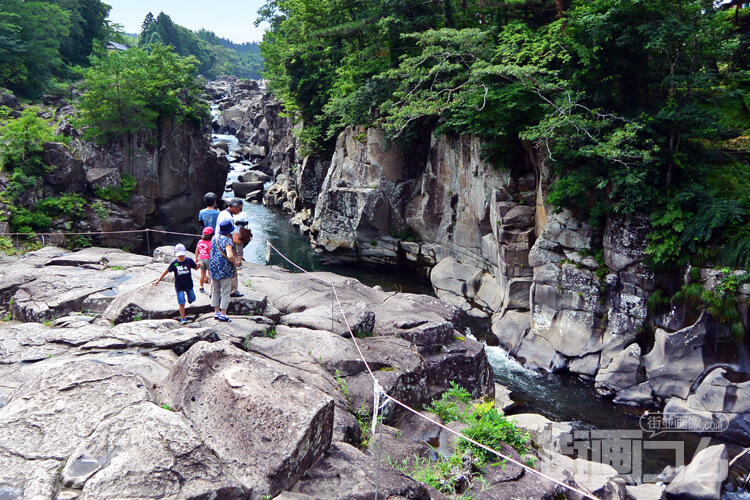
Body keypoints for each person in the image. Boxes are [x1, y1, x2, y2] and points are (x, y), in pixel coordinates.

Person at [153, 243, 201, 325]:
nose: (181, 257)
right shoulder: (175, 263)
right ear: (176, 255)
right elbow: (167, 271)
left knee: (192, 298)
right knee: (181, 303)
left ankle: (190, 299)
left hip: (188, 285)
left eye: (182, 255)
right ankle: (183, 318)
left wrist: (199, 266)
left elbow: (195, 268)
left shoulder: (189, 261)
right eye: (179, 256)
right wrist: (158, 280)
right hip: (179, 286)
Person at [209, 219, 237, 322]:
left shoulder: (214, 238)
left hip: (213, 267)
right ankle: (223, 314)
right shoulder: (227, 240)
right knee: (225, 291)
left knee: (215, 290)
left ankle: (216, 312)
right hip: (224, 268)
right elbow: (229, 255)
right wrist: (234, 262)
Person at [217, 197, 245, 297]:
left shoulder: (222, 213)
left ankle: (217, 291)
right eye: (239, 208)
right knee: (232, 268)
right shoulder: (229, 218)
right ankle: (233, 290)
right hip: (226, 245)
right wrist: (232, 251)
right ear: (233, 207)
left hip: (217, 241)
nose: (240, 211)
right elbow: (230, 234)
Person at [196, 226, 213, 292]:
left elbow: (197, 250)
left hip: (201, 259)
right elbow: (210, 252)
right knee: (210, 274)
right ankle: (212, 288)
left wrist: (196, 258)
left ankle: (201, 287)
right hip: (208, 259)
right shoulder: (210, 243)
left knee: (202, 275)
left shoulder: (200, 241)